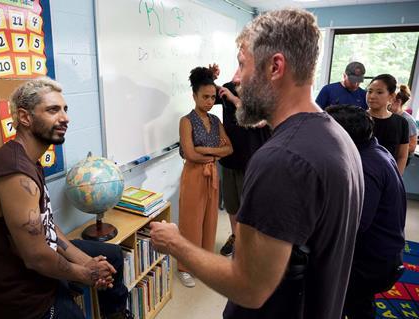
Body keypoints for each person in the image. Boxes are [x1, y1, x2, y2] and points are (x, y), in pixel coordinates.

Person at [150, 8, 364, 319]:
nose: (235, 79)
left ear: (275, 67)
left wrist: (176, 243)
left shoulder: (281, 161)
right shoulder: (336, 135)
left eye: (241, 65)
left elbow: (249, 287)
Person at [0, 77, 130, 319]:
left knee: (112, 256)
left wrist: (87, 262)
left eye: (65, 109)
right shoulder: (14, 174)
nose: (65, 117)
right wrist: (88, 274)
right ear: (25, 117)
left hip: (34, 259)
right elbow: (36, 258)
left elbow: (47, 226)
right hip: (15, 291)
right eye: (53, 110)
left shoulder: (29, 160)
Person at [326, 105, 406, 319]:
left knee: (341, 301)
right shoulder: (375, 150)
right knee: (358, 304)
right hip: (385, 253)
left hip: (374, 263)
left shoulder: (366, 166)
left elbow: (356, 224)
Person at [177, 66, 233, 287]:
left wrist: (204, 151)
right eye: (205, 97)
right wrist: (211, 153)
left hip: (212, 177)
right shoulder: (186, 121)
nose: (210, 101)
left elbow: (229, 149)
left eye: (212, 97)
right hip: (193, 176)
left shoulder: (216, 120)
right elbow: (189, 154)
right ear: (194, 96)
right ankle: (184, 267)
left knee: (210, 221)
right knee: (191, 223)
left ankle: (203, 264)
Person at [216, 71, 271, 256]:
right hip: (230, 158)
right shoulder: (229, 87)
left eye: (243, 65)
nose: (237, 76)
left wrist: (233, 99)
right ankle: (235, 237)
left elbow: (259, 121)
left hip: (253, 161)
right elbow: (204, 93)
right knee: (232, 204)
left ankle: (250, 244)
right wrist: (210, 76)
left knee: (250, 206)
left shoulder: (264, 91)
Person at [366, 74, 409, 175]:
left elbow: (402, 156)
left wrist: (396, 179)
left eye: (379, 92)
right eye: (369, 91)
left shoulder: (401, 123)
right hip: (361, 176)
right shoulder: (357, 118)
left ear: (391, 96)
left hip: (388, 176)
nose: (372, 96)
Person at [390, 84, 417, 165]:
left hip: (401, 157)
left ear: (398, 102)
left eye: (390, 100)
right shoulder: (389, 116)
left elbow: (412, 146)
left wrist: (393, 150)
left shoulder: (408, 120)